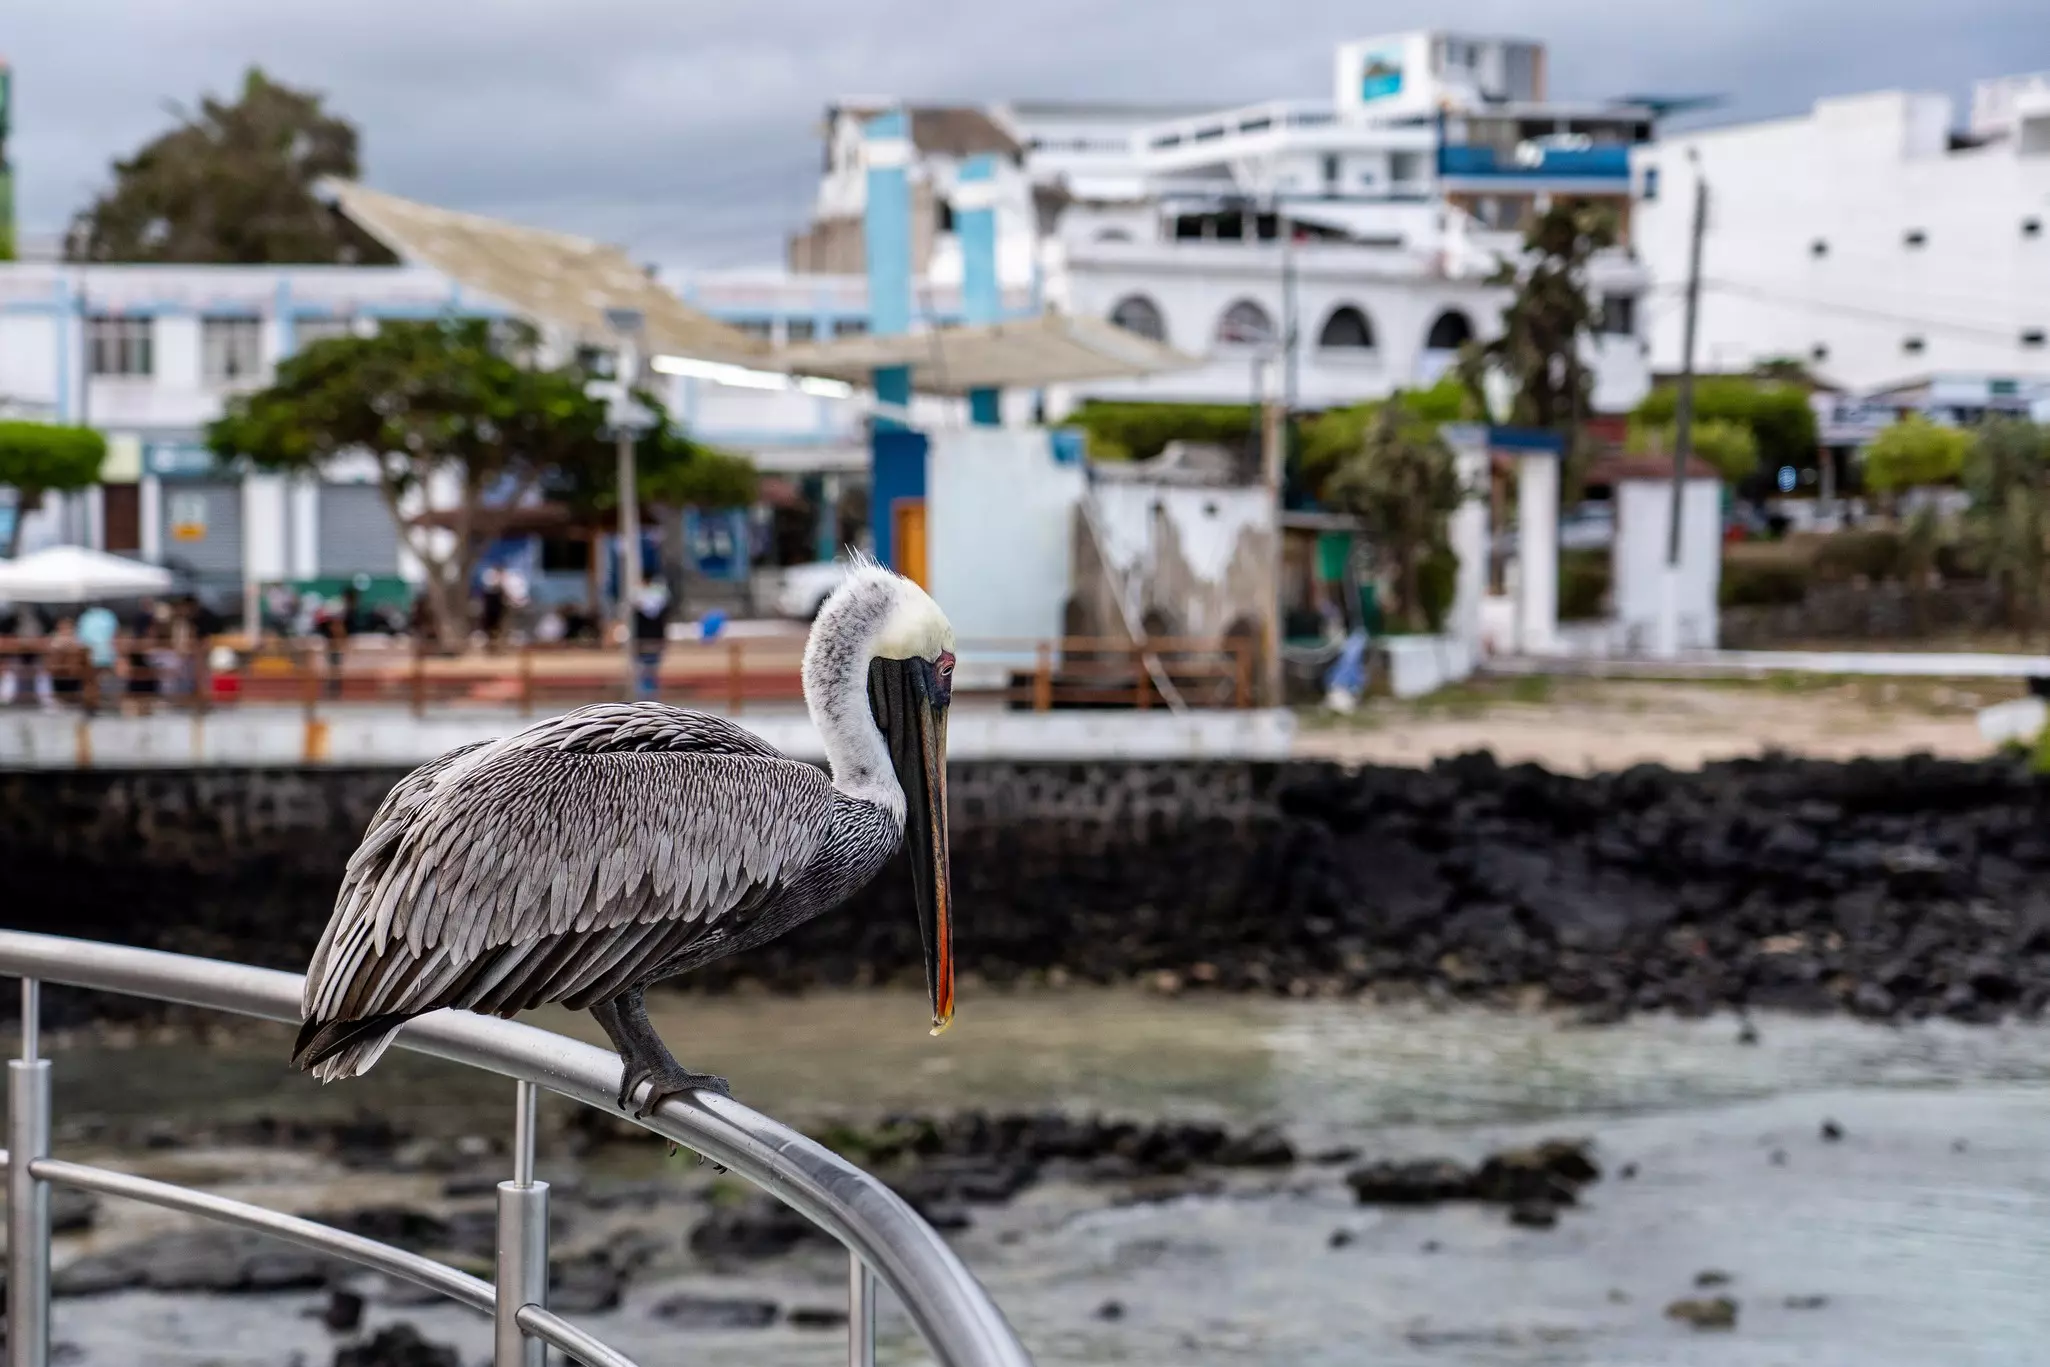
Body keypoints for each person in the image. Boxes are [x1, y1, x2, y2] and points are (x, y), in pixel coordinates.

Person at [76, 602, 119, 715]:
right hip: (105, 653)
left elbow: (81, 638)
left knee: (91, 682)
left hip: (91, 654)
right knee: (101, 681)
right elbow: (114, 634)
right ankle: (102, 704)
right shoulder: (108, 615)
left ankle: (93, 705)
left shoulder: (85, 617)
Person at [632, 581, 670, 699]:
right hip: (650, 641)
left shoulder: (640, 603)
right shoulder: (659, 602)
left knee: (647, 672)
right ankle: (649, 696)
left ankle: (647, 697)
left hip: (646, 642)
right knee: (649, 672)